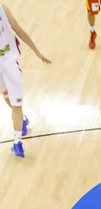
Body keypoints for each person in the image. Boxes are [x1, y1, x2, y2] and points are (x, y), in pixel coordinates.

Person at [0, 3, 51, 158]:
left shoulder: (2, 8)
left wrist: (36, 51)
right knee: (6, 96)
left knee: (16, 103)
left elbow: (18, 29)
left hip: (9, 62)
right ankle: (21, 120)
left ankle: (17, 142)